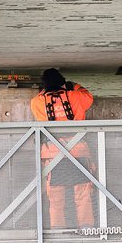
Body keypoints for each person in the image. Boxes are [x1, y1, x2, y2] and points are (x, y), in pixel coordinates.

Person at [30, 68, 95, 229]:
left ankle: (58, 228)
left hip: (52, 153)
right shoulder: (77, 96)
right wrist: (75, 86)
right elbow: (90, 98)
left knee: (55, 195)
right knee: (83, 193)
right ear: (63, 82)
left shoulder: (37, 102)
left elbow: (38, 113)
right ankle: (86, 226)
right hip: (78, 151)